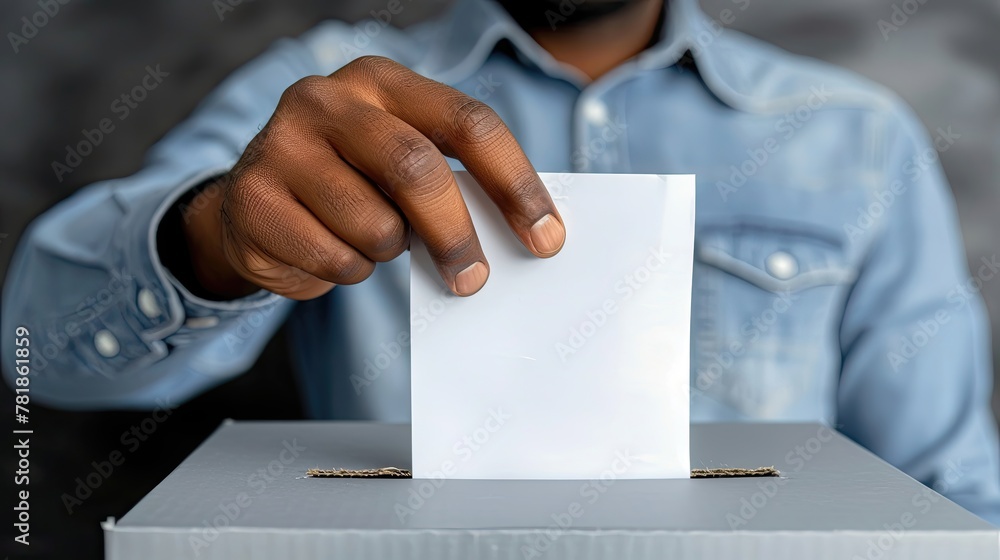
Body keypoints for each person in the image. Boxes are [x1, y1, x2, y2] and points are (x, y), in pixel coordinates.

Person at [3, 0, 999, 523]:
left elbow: (941, 478)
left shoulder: (853, 136)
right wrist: (214, 236)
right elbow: (37, 353)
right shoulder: (321, 88)